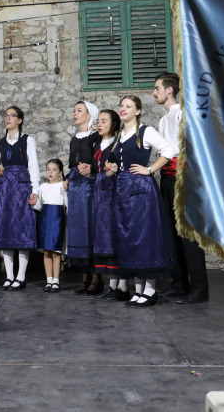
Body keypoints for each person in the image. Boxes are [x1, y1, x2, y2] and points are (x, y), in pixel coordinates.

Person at [107, 96, 176, 307]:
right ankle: (138, 290)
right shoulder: (120, 135)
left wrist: (149, 170)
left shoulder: (146, 131)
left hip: (141, 193)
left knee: (145, 238)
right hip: (123, 192)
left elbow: (169, 150)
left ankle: (150, 290)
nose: (123, 109)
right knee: (130, 239)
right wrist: (114, 170)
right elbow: (121, 164)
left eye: (128, 106)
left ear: (138, 111)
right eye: (121, 106)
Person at [153, 73, 210, 304]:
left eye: (157, 88)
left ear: (169, 90)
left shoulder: (182, 114)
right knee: (172, 234)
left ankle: (199, 289)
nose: (154, 92)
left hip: (182, 178)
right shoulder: (163, 119)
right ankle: (179, 284)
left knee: (188, 235)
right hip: (166, 179)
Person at [0, 106, 39, 291]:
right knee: (6, 231)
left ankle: (21, 276)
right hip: (4, 191)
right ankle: (9, 276)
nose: (8, 118)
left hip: (21, 189)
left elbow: (33, 166)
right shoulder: (0, 143)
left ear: (19, 120)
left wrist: (34, 191)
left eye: (12, 116)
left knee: (22, 230)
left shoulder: (28, 140)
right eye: (6, 115)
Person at [65, 101, 103, 295]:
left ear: (90, 115)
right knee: (79, 230)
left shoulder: (96, 137)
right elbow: (72, 163)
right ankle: (85, 275)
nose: (75, 113)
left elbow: (101, 161)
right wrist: (66, 179)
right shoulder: (74, 139)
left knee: (92, 229)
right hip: (76, 189)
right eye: (74, 110)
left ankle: (97, 276)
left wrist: (92, 168)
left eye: (79, 110)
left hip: (90, 187)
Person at [90, 109, 128, 302]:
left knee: (114, 237)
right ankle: (111, 285)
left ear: (114, 124)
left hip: (113, 193)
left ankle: (121, 287)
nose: (99, 124)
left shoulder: (118, 144)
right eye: (98, 121)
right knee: (103, 238)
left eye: (104, 121)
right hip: (99, 193)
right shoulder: (97, 144)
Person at [34, 159, 66, 293]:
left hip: (57, 219)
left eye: (54, 169)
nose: (50, 172)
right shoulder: (42, 187)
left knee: (55, 251)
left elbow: (66, 205)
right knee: (46, 251)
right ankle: (49, 281)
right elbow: (38, 206)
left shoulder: (63, 187)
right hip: (45, 219)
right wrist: (32, 202)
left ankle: (56, 281)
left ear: (60, 172)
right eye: (48, 169)